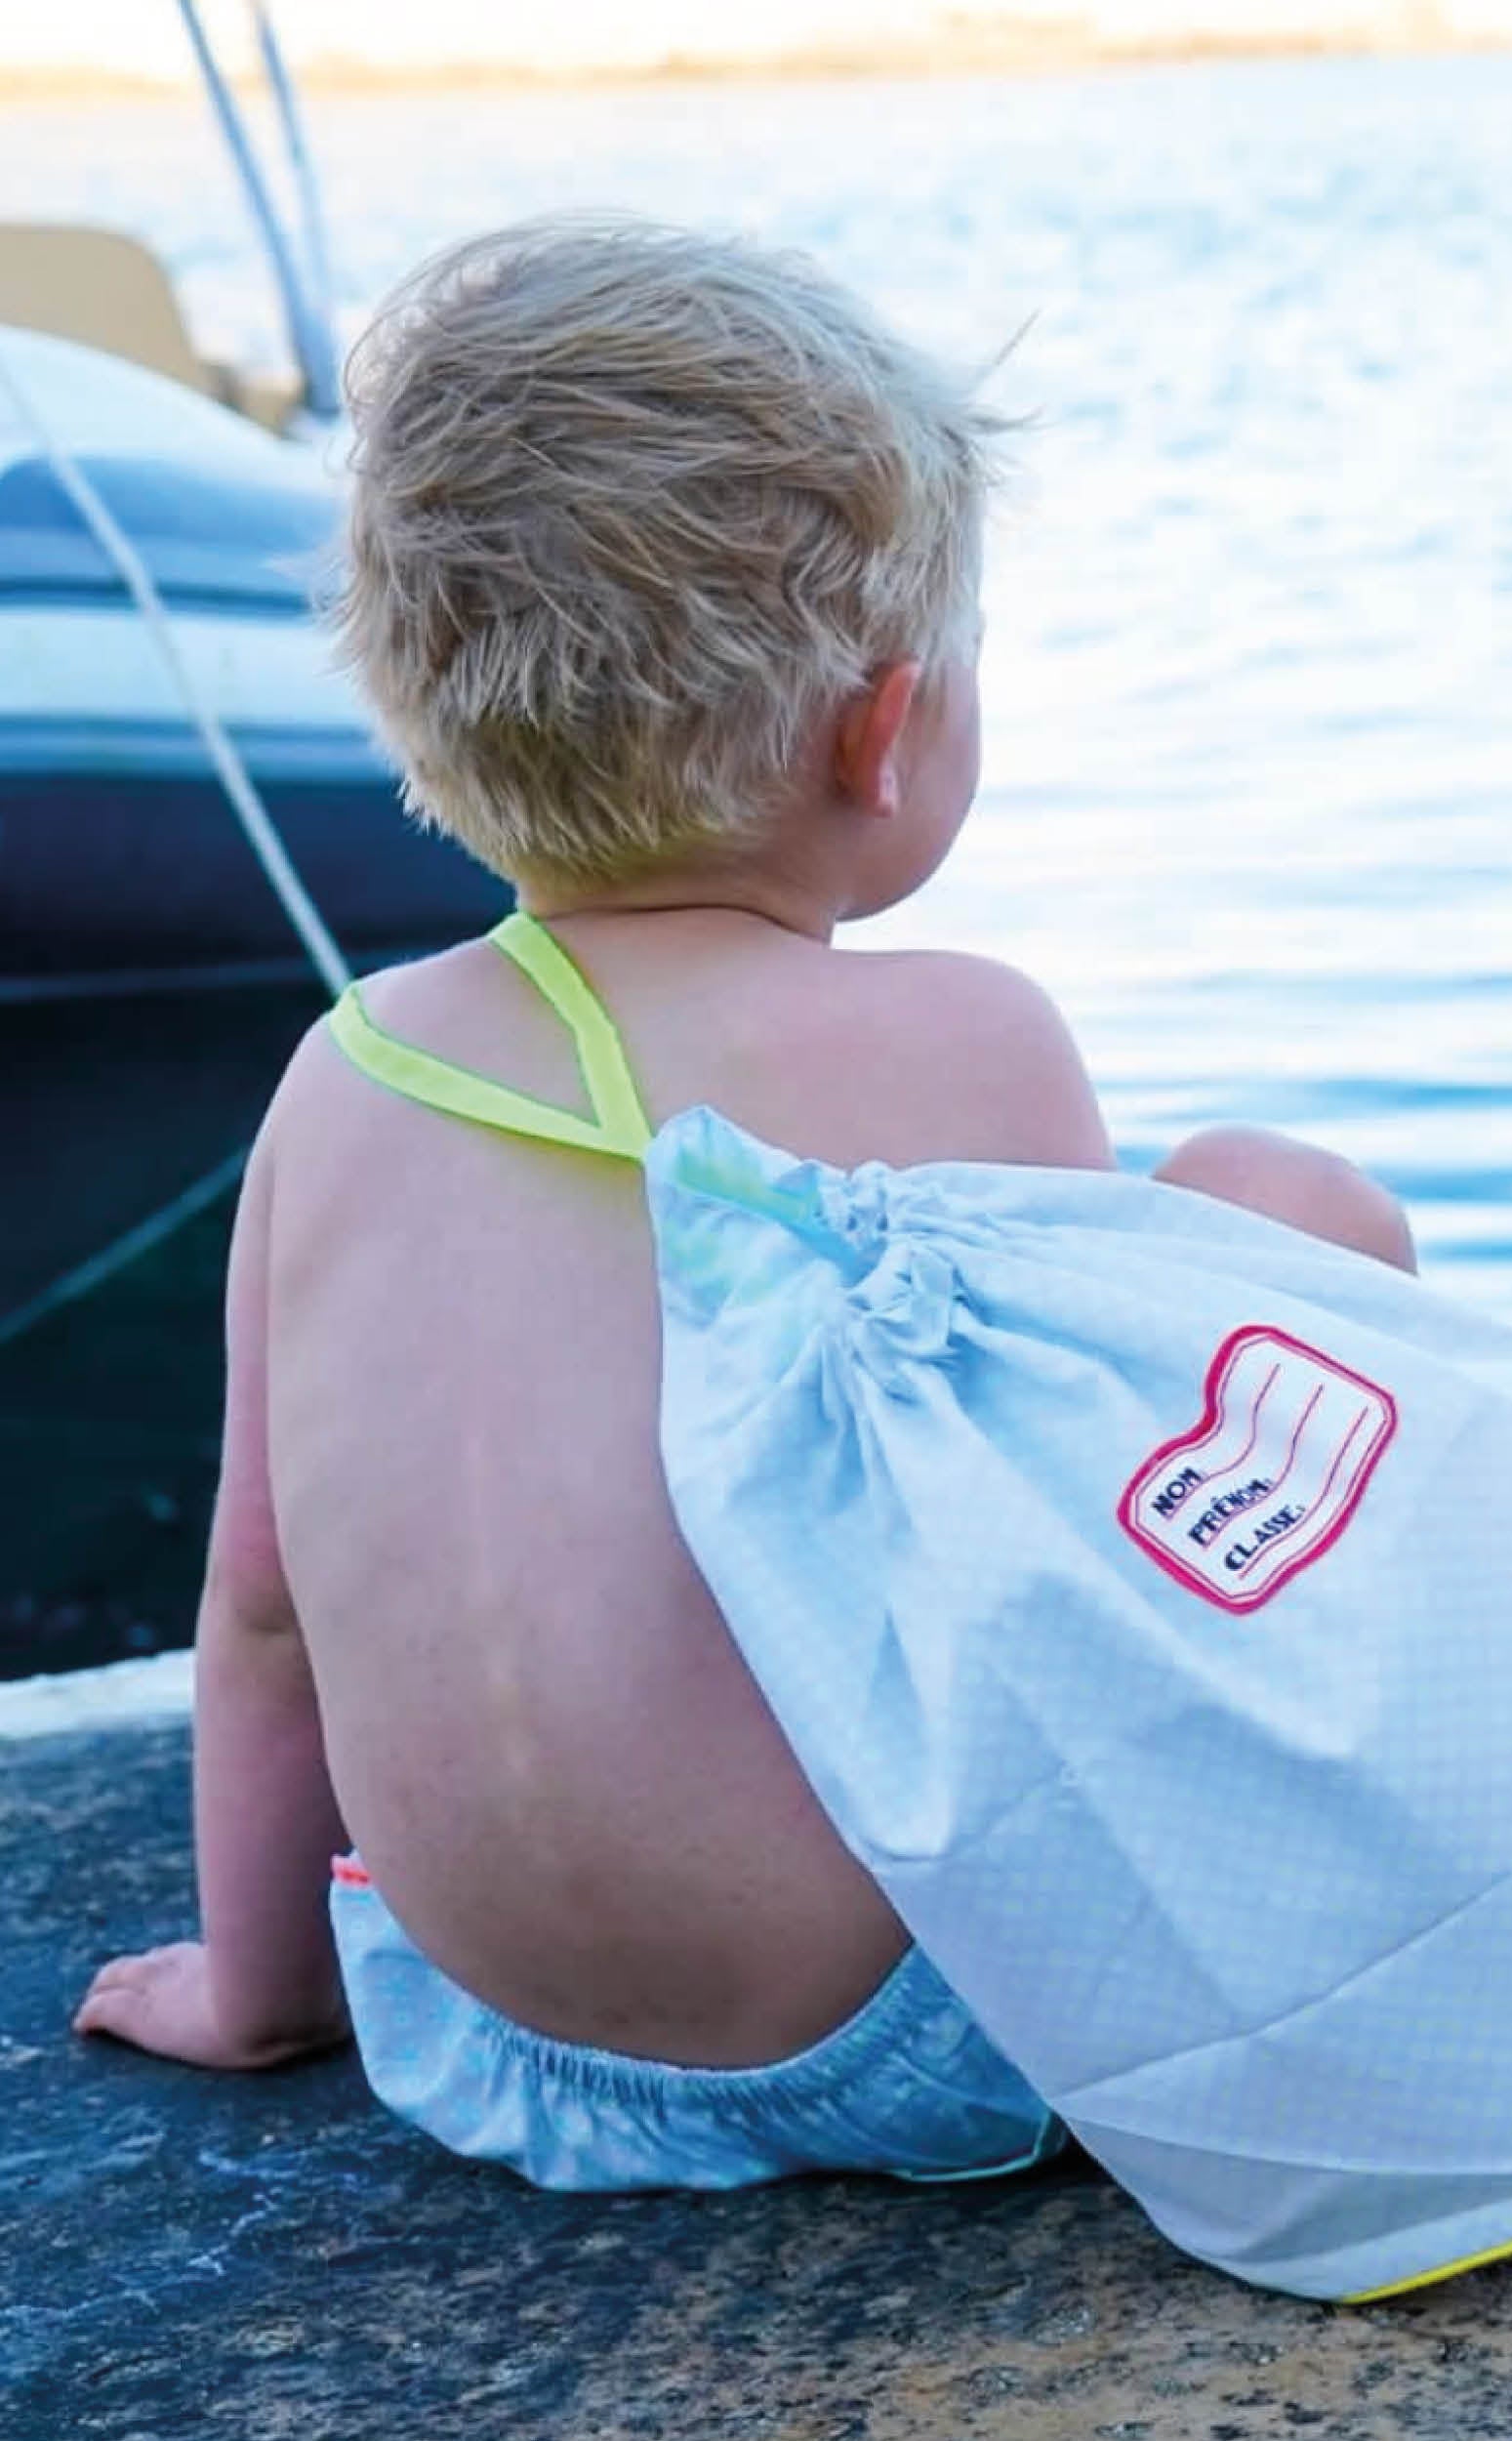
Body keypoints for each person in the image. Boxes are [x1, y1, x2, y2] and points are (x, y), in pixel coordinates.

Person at [72, 217, 1415, 2190]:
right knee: (1281, 1203)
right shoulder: (966, 1040)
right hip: (920, 2041)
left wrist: (260, 1991)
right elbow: (1068, 1584)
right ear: (883, 732)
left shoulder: (340, 1073)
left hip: (484, 2033)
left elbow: (263, 1610)